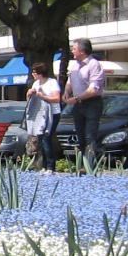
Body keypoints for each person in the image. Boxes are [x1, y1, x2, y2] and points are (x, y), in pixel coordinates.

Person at [64, 38, 106, 166]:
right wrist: (66, 92)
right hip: (78, 104)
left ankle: (90, 166)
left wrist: (77, 98)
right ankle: (83, 165)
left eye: (74, 49)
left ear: (82, 51)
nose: (72, 51)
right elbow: (70, 81)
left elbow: (93, 89)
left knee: (89, 136)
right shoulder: (75, 66)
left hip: (92, 103)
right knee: (81, 137)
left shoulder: (94, 65)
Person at [24, 62, 61, 171]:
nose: (33, 74)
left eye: (34, 72)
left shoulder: (52, 82)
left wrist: (43, 96)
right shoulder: (36, 84)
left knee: (46, 137)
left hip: (52, 113)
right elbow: (30, 101)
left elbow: (57, 99)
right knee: (40, 139)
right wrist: (29, 94)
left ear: (40, 73)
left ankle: (50, 166)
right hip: (40, 114)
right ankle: (44, 165)